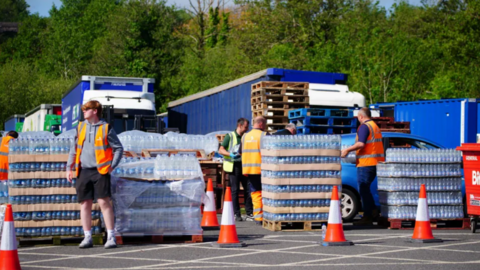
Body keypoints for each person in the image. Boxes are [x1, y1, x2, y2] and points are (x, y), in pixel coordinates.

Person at [66, 100, 124, 248]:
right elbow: (74, 149)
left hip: (100, 171)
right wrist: (69, 168)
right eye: (84, 109)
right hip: (83, 170)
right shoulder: (80, 127)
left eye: (87, 109)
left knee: (104, 203)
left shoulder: (106, 128)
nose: (84, 112)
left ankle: (111, 237)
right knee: (85, 204)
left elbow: (118, 148)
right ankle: (87, 237)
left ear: (95, 111)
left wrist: (112, 166)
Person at [341, 108, 384, 226]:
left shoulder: (364, 127)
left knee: (363, 189)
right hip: (374, 162)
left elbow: (361, 143)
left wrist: (347, 150)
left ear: (361, 117)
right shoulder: (374, 126)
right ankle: (373, 212)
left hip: (366, 163)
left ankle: (368, 215)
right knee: (365, 189)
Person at [218, 118, 254, 222]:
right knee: (235, 190)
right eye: (246, 127)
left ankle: (249, 213)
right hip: (234, 166)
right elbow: (221, 149)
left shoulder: (246, 137)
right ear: (240, 125)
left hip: (245, 166)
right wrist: (230, 154)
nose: (247, 129)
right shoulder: (230, 136)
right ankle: (236, 213)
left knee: (248, 189)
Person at [241, 116, 267, 225]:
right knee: (265, 193)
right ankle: (264, 216)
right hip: (262, 169)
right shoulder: (264, 135)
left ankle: (258, 217)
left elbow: (240, 152)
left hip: (249, 169)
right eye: (265, 124)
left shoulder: (244, 136)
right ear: (261, 124)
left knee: (255, 193)